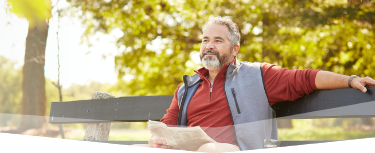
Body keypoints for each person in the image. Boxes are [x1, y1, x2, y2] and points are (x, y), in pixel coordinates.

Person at [132, 16, 375, 152]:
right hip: (189, 150)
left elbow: (306, 78)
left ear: (234, 49)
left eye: (218, 40)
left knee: (210, 150)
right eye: (205, 40)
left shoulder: (258, 75)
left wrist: (350, 80)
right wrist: (158, 139)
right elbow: (167, 125)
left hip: (229, 150)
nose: (209, 45)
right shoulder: (187, 87)